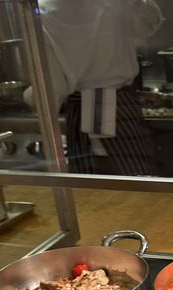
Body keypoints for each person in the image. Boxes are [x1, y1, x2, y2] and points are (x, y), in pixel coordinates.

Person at [36, 0, 163, 175]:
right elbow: (149, 26)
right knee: (138, 183)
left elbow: (53, 88)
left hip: (85, 112)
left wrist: (29, 97)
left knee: (92, 186)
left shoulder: (42, 11)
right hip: (120, 110)